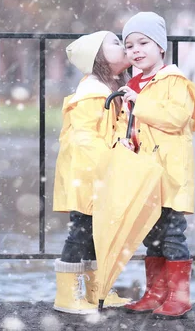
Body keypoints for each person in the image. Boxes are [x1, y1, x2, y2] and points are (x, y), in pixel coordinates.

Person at [118, 12, 195, 318]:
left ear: (161, 47)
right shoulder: (135, 83)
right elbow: (136, 127)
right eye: (129, 46)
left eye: (143, 43)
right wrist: (128, 141)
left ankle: (179, 296)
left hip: (170, 173)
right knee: (150, 234)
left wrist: (139, 101)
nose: (136, 50)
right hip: (146, 173)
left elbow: (176, 118)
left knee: (172, 234)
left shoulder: (175, 81)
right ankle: (155, 293)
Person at [52, 31, 132, 314]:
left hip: (100, 173)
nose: (124, 46)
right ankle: (67, 295)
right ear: (97, 57)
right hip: (89, 175)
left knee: (99, 233)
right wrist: (109, 163)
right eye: (115, 42)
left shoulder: (111, 89)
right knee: (82, 232)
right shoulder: (92, 94)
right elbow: (86, 139)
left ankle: (97, 291)